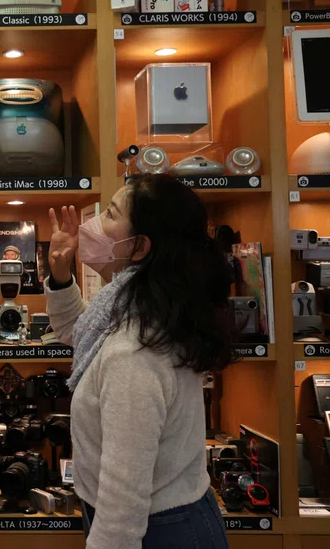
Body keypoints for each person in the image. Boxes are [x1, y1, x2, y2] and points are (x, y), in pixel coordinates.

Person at [45, 174, 234, 549]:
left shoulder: (132, 353)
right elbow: (79, 332)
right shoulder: (145, 309)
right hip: (172, 516)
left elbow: (123, 503)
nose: (92, 225)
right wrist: (60, 273)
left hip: (159, 529)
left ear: (139, 246)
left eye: (111, 215)